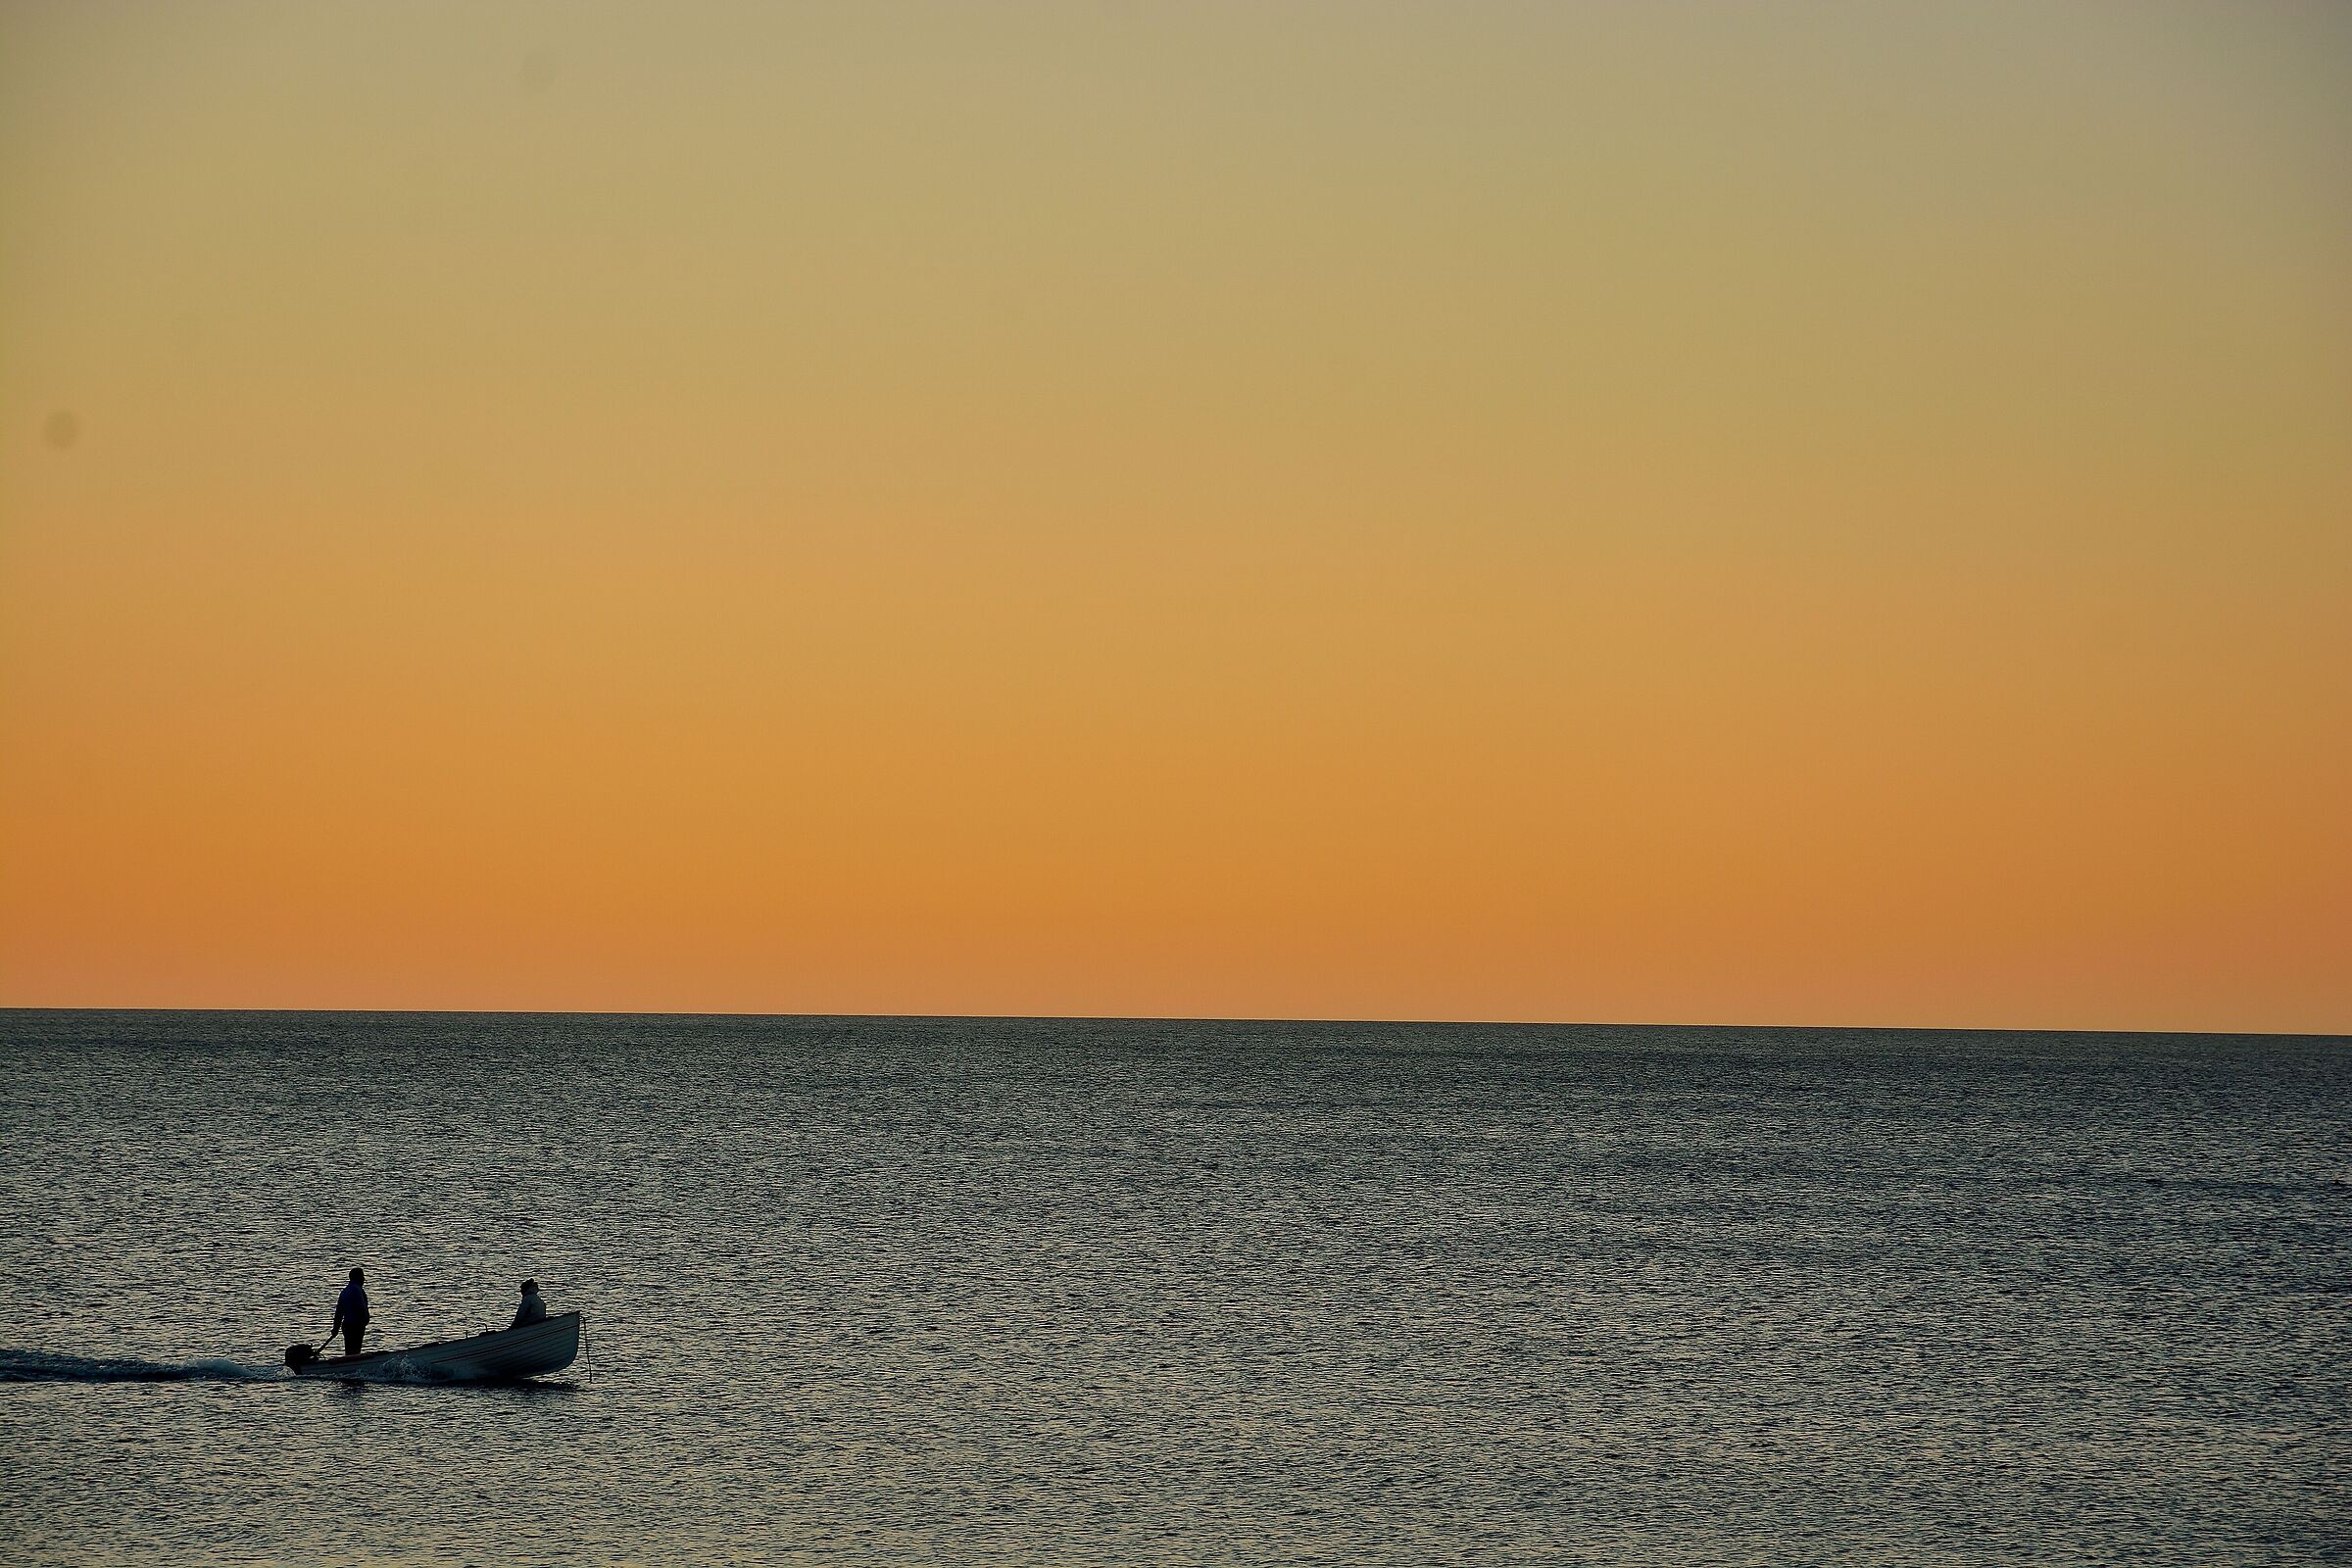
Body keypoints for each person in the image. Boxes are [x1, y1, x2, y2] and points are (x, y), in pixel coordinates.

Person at [329, 1266, 370, 1357]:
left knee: (349, 1353)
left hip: (347, 1326)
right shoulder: (357, 1290)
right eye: (362, 1277)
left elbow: (339, 1312)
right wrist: (365, 1320)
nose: (364, 1279)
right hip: (356, 1325)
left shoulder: (345, 1291)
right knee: (355, 1352)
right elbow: (361, 1307)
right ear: (359, 1278)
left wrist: (336, 1328)